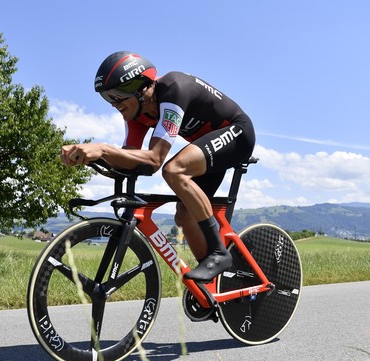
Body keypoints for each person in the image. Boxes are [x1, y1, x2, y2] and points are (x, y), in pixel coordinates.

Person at [60, 51, 255, 282]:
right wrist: (90, 156)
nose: (113, 104)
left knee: (174, 169)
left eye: (117, 96)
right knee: (184, 216)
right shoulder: (136, 115)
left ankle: (218, 252)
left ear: (142, 88)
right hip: (208, 147)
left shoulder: (173, 89)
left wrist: (102, 149)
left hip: (238, 134)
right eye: (107, 97)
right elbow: (131, 159)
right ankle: (209, 285)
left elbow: (154, 160)